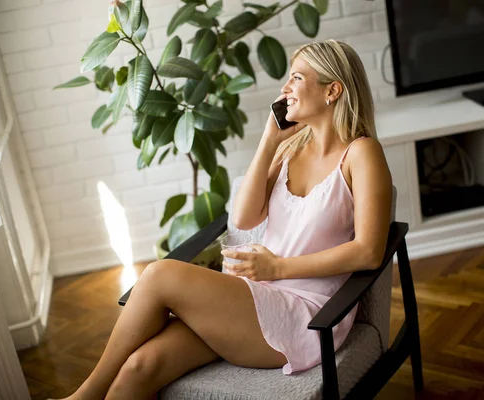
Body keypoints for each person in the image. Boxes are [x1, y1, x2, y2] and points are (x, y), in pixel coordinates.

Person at [53, 39, 392, 400]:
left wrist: (277, 268)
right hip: (252, 298)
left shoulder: (362, 153)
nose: (285, 88)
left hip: (307, 316)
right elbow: (245, 218)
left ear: (333, 90)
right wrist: (268, 141)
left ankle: (83, 396)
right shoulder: (292, 148)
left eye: (296, 78)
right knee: (139, 369)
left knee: (159, 274)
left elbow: (369, 252)